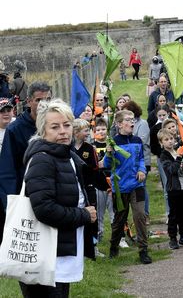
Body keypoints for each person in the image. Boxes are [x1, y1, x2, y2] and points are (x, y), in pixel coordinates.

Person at [21, 99, 96, 297]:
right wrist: (83, 215)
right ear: (43, 130)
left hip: (59, 254)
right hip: (44, 257)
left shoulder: (66, 156)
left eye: (67, 125)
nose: (63, 131)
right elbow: (44, 209)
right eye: (55, 127)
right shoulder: (42, 159)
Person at [0, 81, 52, 244]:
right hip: (27, 195)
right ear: (29, 101)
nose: (44, 104)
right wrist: (9, 204)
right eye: (39, 100)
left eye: (48, 99)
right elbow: (8, 171)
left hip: (53, 190)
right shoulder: (15, 130)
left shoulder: (56, 125)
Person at [105, 109, 151, 264]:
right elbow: (106, 165)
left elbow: (141, 160)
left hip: (137, 185)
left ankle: (143, 250)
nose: (132, 122)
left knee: (140, 216)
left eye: (133, 119)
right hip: (120, 187)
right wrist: (108, 153)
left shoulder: (137, 140)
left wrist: (142, 170)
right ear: (119, 124)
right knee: (119, 220)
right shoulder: (113, 142)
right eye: (128, 120)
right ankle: (114, 247)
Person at [158, 129, 183, 249]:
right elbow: (172, 170)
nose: (170, 142)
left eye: (171, 139)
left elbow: (182, 146)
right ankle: (173, 238)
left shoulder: (176, 150)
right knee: (174, 214)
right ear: (161, 143)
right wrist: (179, 157)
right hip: (174, 188)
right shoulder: (164, 155)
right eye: (166, 140)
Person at [72, 119, 101, 257]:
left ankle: (93, 245)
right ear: (76, 132)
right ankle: (77, 246)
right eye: (85, 131)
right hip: (73, 187)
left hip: (88, 187)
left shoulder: (89, 148)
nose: (88, 133)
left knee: (92, 214)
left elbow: (95, 168)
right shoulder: (68, 147)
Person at [92, 118, 113, 245]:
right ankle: (99, 236)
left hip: (112, 180)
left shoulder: (111, 144)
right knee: (99, 212)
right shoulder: (92, 146)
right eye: (98, 129)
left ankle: (119, 236)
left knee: (114, 211)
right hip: (98, 182)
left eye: (103, 129)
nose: (101, 132)